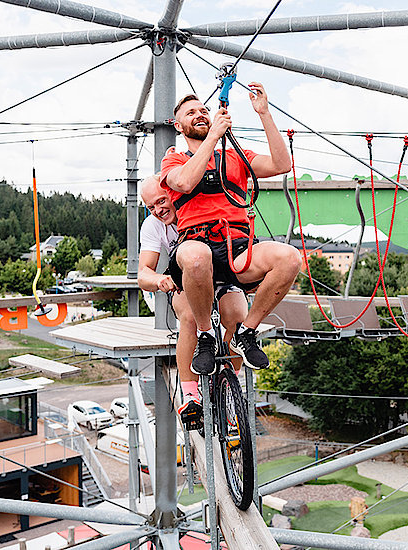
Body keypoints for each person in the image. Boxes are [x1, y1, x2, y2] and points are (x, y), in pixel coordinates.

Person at [160, 82, 301, 373]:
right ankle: (204, 334)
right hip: (195, 242)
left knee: (289, 258)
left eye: (204, 110)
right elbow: (184, 182)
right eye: (191, 113)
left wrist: (264, 113)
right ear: (178, 125)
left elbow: (281, 164)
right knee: (198, 258)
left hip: (235, 245)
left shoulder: (235, 155)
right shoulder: (174, 158)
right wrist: (213, 137)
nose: (200, 114)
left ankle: (246, 331)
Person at [138, 174, 248, 428]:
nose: (157, 210)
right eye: (151, 207)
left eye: (161, 201)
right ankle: (190, 394)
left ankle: (232, 383)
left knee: (236, 315)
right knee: (188, 317)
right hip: (186, 281)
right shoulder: (154, 226)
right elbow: (143, 272)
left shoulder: (199, 204)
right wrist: (158, 280)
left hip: (220, 275)